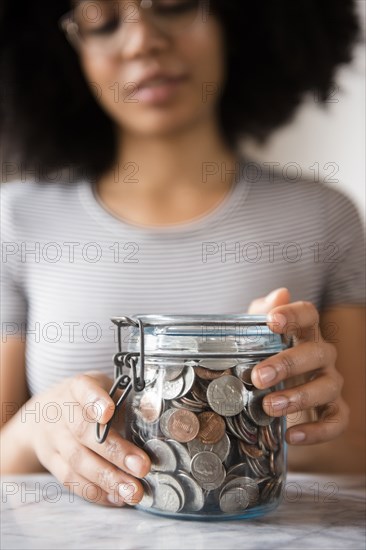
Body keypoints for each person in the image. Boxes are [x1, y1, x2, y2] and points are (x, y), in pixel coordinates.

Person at [1, 0, 365, 508]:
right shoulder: (16, 220)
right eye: (100, 20)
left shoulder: (325, 216)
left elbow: (356, 456)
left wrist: (286, 423)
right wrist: (39, 425)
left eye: (172, 5)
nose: (142, 40)